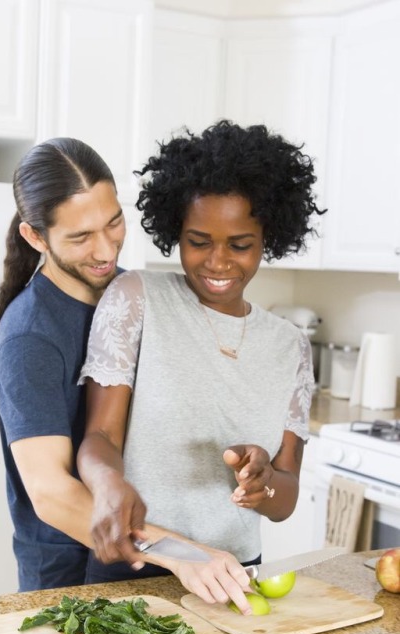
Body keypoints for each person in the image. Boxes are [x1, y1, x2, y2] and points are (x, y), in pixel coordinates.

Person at [0, 135, 253, 613]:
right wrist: (180, 552)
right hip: (74, 580)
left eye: (114, 223)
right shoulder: (30, 337)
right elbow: (51, 494)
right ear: (35, 237)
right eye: (81, 237)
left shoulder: (133, 294)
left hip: (160, 565)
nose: (106, 250)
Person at [77, 121, 323, 599]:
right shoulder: (137, 297)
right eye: (198, 240)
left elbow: (285, 494)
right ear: (176, 232)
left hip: (233, 578)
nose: (217, 261)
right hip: (139, 565)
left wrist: (265, 482)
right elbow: (100, 436)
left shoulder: (291, 346)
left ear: (266, 238)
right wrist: (107, 484)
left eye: (240, 244)